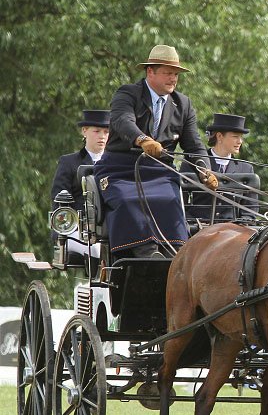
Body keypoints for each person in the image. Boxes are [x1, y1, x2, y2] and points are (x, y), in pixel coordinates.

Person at [94, 44, 217, 258]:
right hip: (121, 171)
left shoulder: (183, 104)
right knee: (126, 199)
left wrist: (204, 170)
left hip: (159, 172)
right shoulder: (127, 93)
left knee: (169, 200)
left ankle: (173, 255)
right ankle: (146, 252)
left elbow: (194, 145)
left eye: (176, 74)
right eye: (168, 73)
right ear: (150, 71)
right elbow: (123, 121)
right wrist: (142, 139)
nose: (173, 79)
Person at [49, 109, 110, 258]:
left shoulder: (115, 165)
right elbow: (58, 200)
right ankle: (97, 282)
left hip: (109, 228)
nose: (102, 136)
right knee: (96, 249)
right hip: (75, 230)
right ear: (84, 131)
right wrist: (76, 224)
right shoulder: (69, 162)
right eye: (96, 131)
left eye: (106, 132)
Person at [180, 113, 254, 226]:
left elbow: (249, 211)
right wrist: (194, 222)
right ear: (219, 136)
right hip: (197, 231)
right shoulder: (194, 163)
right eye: (235, 137)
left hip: (231, 235)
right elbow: (180, 200)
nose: (240, 142)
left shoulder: (246, 169)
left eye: (241, 137)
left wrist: (238, 228)